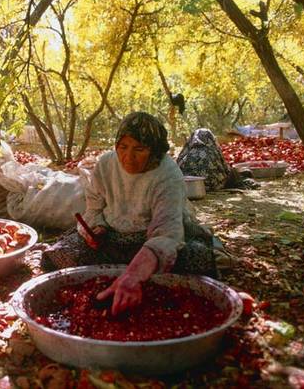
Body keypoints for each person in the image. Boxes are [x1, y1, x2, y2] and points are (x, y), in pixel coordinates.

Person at [41, 111, 217, 315]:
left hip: (150, 242)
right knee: (57, 256)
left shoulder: (168, 175)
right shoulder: (106, 164)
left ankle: (129, 272)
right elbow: (94, 207)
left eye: (139, 149)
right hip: (111, 239)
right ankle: (129, 271)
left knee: (199, 260)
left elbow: (166, 234)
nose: (128, 157)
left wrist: (134, 275)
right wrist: (97, 227)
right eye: (123, 147)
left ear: (155, 150)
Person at [177, 128, 257, 191]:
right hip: (213, 185)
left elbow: (177, 166)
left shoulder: (188, 152)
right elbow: (224, 168)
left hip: (190, 187)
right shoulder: (212, 150)